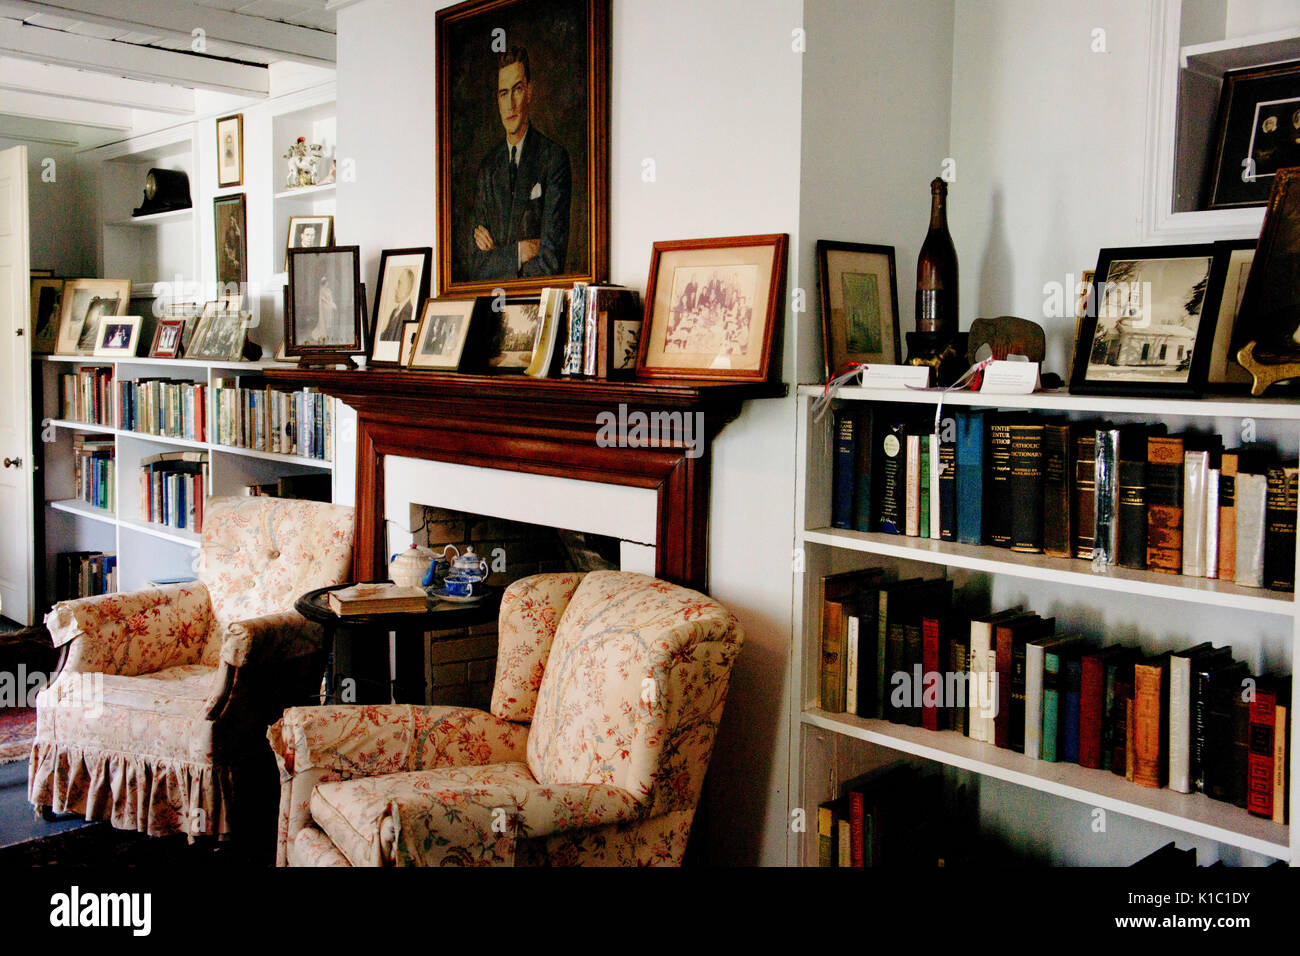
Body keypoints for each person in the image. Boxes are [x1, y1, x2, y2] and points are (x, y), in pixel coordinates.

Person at [471, 46, 571, 281]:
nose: (510, 104)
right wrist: (520, 252)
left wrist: (497, 261)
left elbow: (551, 262)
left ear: (529, 92)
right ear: (497, 100)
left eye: (517, 90)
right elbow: (475, 267)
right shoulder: (488, 169)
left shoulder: (553, 158)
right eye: (503, 93)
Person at [379, 267, 416, 341]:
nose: (395, 288)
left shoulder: (410, 314)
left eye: (399, 283)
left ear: (408, 288)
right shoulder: (394, 311)